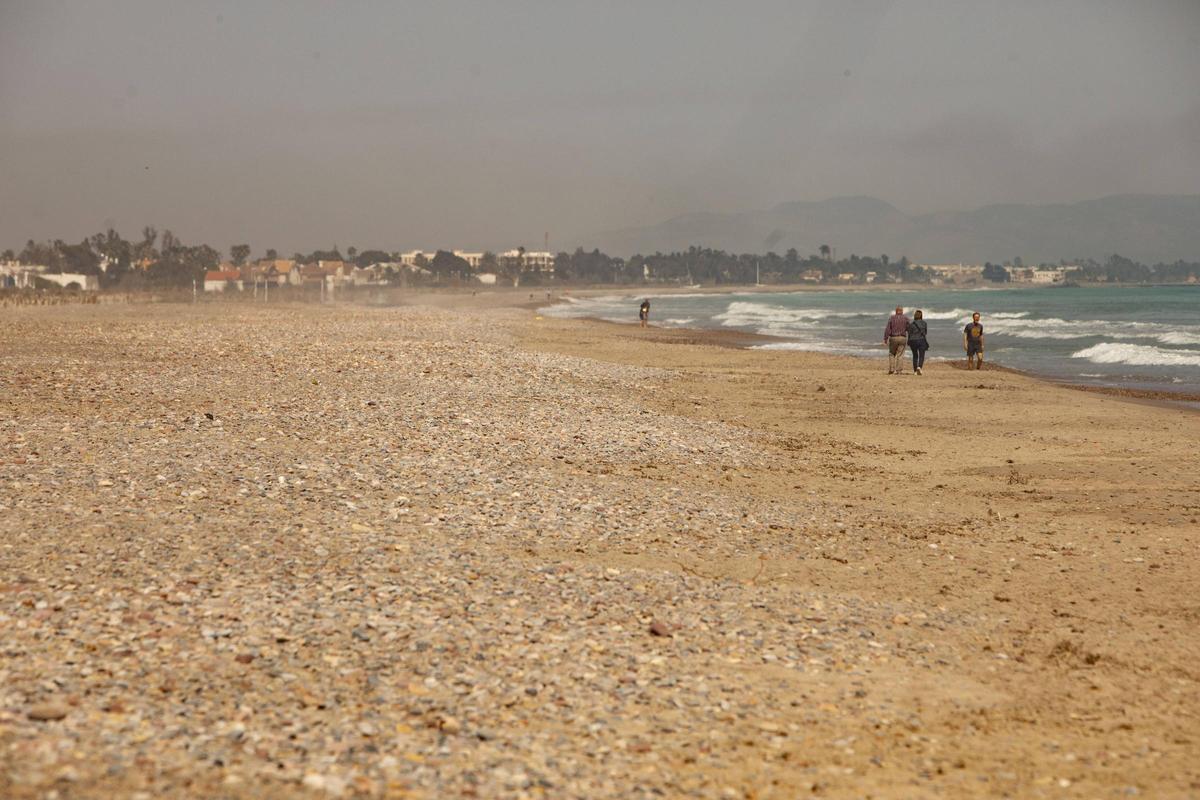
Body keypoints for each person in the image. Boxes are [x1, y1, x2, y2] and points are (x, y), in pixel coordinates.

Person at [883, 305, 910, 374]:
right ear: (902, 311)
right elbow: (909, 328)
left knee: (892, 353)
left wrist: (885, 339)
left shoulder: (892, 318)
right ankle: (899, 370)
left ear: (896, 311)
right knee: (900, 354)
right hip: (902, 337)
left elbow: (888, 329)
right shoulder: (906, 318)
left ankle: (892, 369)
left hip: (893, 337)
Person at [907, 309, 929, 375]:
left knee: (915, 355)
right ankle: (919, 367)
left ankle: (915, 371)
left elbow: (909, 333)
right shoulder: (924, 323)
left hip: (912, 340)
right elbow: (925, 333)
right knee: (921, 355)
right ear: (921, 316)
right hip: (921, 340)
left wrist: (908, 341)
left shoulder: (911, 324)